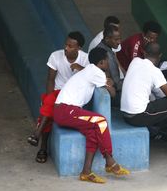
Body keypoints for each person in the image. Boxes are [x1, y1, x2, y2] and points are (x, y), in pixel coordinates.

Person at [53, 47, 130, 183]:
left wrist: (107, 82)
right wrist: (109, 83)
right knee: (100, 121)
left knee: (93, 132)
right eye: (107, 60)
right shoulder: (96, 72)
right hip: (66, 110)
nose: (108, 62)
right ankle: (109, 161)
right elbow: (112, 94)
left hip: (65, 110)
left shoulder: (90, 70)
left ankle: (86, 172)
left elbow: (107, 84)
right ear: (101, 62)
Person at [27, 31, 89, 163]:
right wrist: (49, 100)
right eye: (66, 45)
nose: (66, 48)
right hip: (57, 92)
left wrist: (81, 68)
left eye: (71, 46)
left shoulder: (85, 59)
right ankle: (42, 146)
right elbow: (50, 80)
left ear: (79, 48)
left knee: (48, 109)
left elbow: (93, 76)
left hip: (74, 95)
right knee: (48, 106)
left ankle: (38, 138)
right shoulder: (55, 56)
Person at [96, 25, 124, 99]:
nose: (119, 42)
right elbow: (117, 84)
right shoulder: (107, 55)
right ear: (107, 39)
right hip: (112, 94)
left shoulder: (100, 48)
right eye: (116, 39)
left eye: (120, 39)